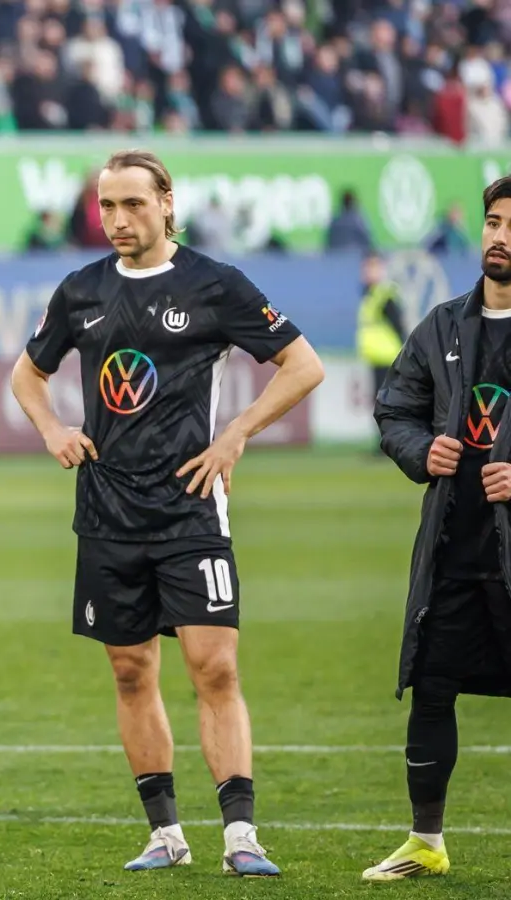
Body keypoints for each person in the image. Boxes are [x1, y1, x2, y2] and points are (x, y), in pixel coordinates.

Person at [9, 149, 325, 877]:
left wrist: (236, 433)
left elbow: (304, 365)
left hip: (190, 511)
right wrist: (54, 428)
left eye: (132, 205)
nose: (117, 220)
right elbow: (30, 372)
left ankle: (241, 836)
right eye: (107, 206)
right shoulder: (80, 289)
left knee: (214, 667)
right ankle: (166, 834)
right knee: (129, 670)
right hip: (107, 511)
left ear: (167, 203)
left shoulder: (214, 283)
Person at [366, 175, 511, 882]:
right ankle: (425, 841)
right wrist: (421, 451)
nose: (500, 235)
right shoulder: (443, 326)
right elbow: (394, 409)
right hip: (456, 544)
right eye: (492, 221)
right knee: (433, 687)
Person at [357, 251, 406, 401]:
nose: (368, 272)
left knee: (385, 400)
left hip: (387, 356)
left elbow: (399, 325)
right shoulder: (371, 294)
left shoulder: (384, 295)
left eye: (373, 267)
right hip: (377, 356)